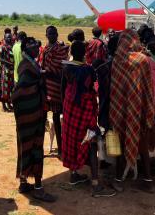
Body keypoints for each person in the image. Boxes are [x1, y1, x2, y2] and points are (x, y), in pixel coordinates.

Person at [62, 41, 115, 197]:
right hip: (84, 109)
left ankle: (74, 174)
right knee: (91, 142)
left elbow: (65, 88)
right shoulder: (88, 70)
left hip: (70, 107)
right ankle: (95, 184)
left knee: (72, 140)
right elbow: (92, 89)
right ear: (84, 52)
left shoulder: (66, 67)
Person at [11, 37, 56, 202]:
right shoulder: (26, 66)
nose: (36, 49)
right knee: (35, 147)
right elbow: (23, 89)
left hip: (30, 114)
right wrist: (40, 83)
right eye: (32, 47)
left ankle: (23, 183)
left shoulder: (30, 63)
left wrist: (41, 75)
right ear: (25, 49)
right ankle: (38, 188)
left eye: (37, 46)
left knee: (25, 146)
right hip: (31, 114)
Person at [109, 29, 155, 193]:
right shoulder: (143, 60)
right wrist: (148, 110)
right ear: (135, 40)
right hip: (139, 109)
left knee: (121, 145)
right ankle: (148, 181)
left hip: (120, 110)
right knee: (142, 145)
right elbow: (148, 88)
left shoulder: (116, 60)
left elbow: (115, 89)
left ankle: (118, 180)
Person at [38, 26, 69, 157]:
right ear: (46, 35)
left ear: (57, 34)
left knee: (57, 119)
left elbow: (61, 68)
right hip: (44, 87)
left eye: (54, 33)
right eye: (50, 33)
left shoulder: (60, 49)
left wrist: (44, 71)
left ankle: (61, 148)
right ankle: (39, 148)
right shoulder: (44, 49)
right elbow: (42, 64)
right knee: (43, 118)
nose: (52, 35)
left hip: (56, 87)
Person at [0, 33, 15, 112]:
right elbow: (1, 59)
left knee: (10, 88)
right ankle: (3, 105)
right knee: (4, 88)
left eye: (10, 37)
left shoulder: (12, 47)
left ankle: (9, 103)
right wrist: (9, 63)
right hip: (5, 70)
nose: (9, 39)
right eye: (7, 37)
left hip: (11, 71)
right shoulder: (3, 47)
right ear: (4, 38)